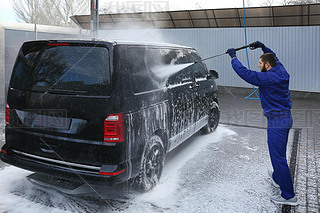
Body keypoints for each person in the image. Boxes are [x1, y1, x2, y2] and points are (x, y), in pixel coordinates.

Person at [226, 41, 299, 206]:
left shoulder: (267, 78)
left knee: (278, 158)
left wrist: (233, 58)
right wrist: (263, 47)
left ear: (266, 65)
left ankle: (289, 196)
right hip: (284, 118)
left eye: (260, 63)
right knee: (278, 155)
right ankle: (277, 178)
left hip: (277, 122)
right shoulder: (280, 70)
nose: (258, 66)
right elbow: (275, 58)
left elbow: (245, 73)